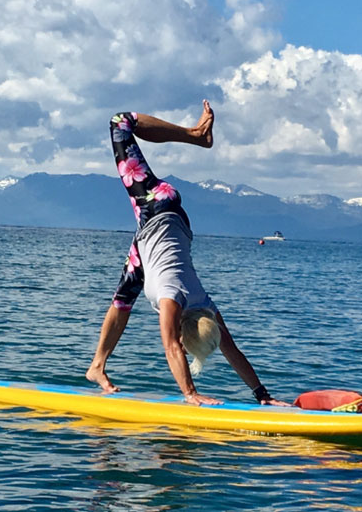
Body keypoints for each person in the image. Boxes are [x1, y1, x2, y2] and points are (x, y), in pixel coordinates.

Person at [85, 100, 289, 407]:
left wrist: (263, 396)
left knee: (124, 298)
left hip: (154, 235)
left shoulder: (202, 302)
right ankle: (196, 135)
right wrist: (191, 394)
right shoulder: (173, 297)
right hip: (156, 207)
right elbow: (171, 346)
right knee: (120, 122)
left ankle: (97, 366)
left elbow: (222, 347)